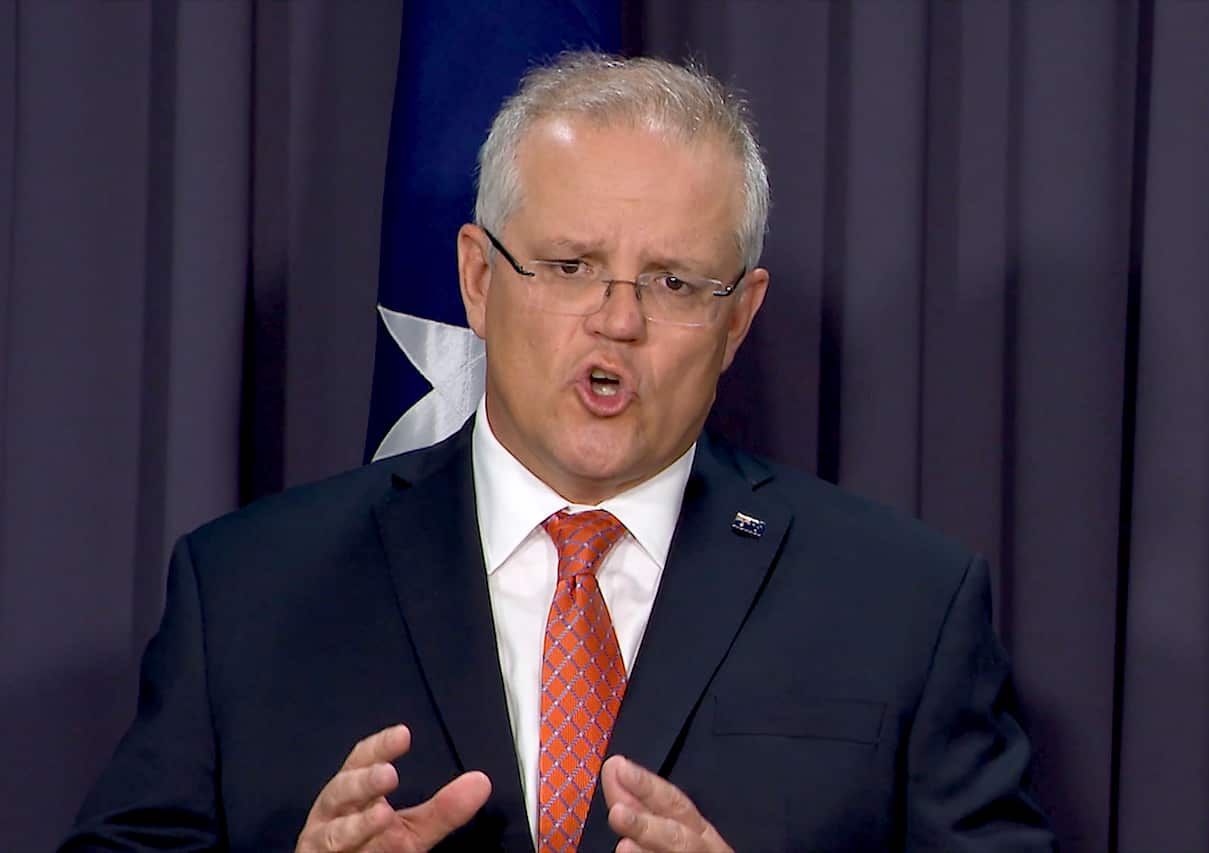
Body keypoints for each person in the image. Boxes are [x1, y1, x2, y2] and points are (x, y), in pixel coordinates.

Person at [64, 52, 1055, 852]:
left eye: (670, 282)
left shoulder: (900, 603)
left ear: (738, 319)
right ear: (477, 281)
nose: (616, 320)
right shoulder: (246, 589)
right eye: (571, 267)